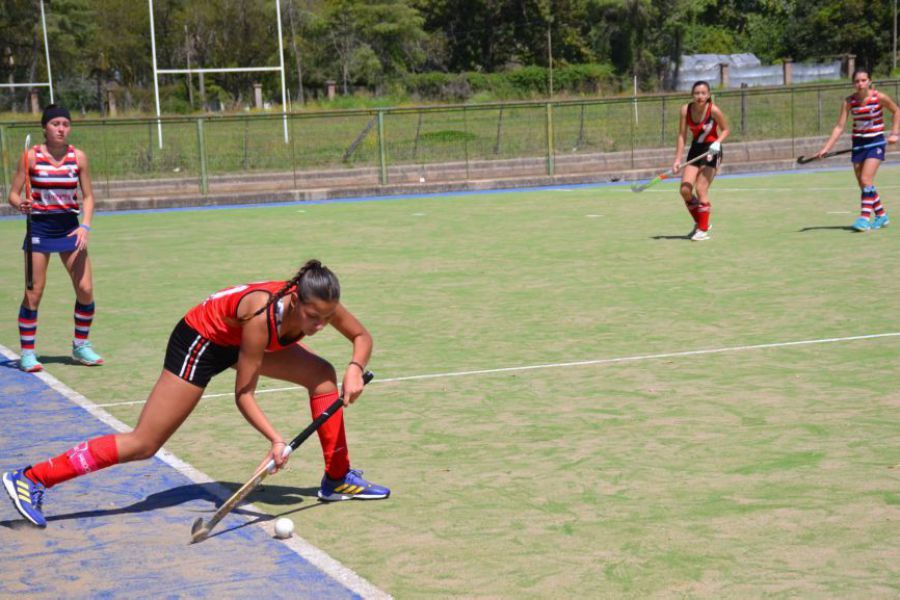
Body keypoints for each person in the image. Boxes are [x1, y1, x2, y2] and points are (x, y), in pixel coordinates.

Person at [2, 259, 390, 528]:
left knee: (323, 375)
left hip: (237, 339)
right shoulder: (261, 316)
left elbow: (361, 336)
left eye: (326, 318)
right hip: (201, 341)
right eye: (313, 317)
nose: (321, 326)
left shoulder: (320, 304)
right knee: (144, 443)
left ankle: (337, 478)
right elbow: (244, 394)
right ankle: (32, 478)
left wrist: (354, 368)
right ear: (296, 299)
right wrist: (275, 440)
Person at [6, 104, 104, 372]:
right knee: (33, 292)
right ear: (45, 128)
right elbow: (12, 194)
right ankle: (27, 353)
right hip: (39, 228)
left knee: (85, 289)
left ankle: (81, 345)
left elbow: (88, 197)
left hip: (69, 228)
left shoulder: (78, 157)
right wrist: (20, 204)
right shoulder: (31, 157)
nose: (61, 129)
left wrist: (85, 226)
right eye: (55, 124)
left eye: (65, 124)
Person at [815, 69, 900, 231]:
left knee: (866, 179)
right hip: (859, 144)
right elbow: (839, 127)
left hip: (875, 143)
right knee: (863, 184)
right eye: (857, 81)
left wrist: (895, 133)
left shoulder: (879, 97)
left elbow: (897, 111)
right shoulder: (849, 102)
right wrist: (825, 149)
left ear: (869, 81)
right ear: (853, 83)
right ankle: (881, 216)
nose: (860, 84)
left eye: (863, 80)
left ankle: (864, 219)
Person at [673, 81, 730, 241]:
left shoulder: (713, 110)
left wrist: (717, 142)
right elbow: (681, 135)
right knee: (685, 190)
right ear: (692, 94)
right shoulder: (686, 109)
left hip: (713, 150)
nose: (700, 96)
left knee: (701, 188)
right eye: (697, 93)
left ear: (708, 95)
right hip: (695, 150)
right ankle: (701, 222)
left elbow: (726, 130)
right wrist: (677, 159)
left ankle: (703, 230)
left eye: (703, 93)